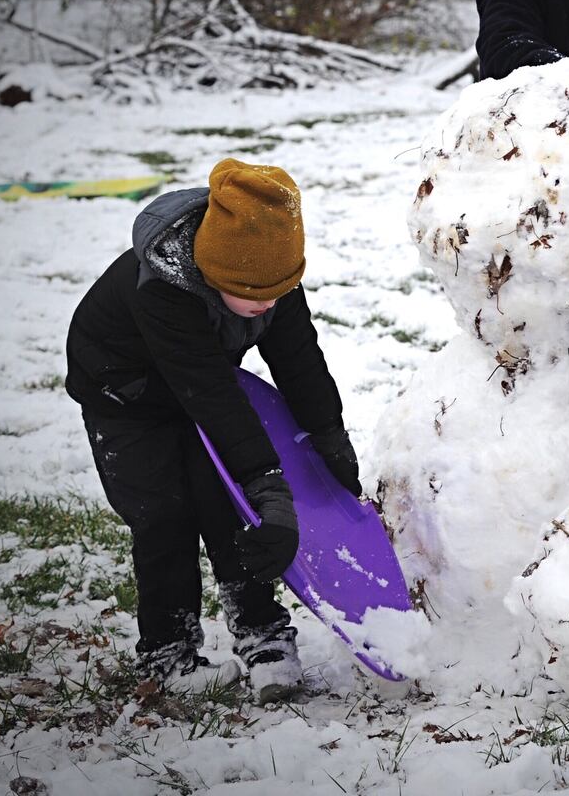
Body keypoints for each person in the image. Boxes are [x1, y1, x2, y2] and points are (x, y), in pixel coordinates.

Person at [65, 158, 363, 704]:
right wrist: (270, 486)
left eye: (279, 291)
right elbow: (209, 392)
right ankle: (169, 655)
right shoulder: (164, 287)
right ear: (216, 273)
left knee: (229, 508)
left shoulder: (268, 270)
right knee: (165, 517)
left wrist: (329, 434)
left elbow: (297, 358)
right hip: (126, 395)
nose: (268, 304)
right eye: (255, 295)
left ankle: (264, 637)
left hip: (202, 384)